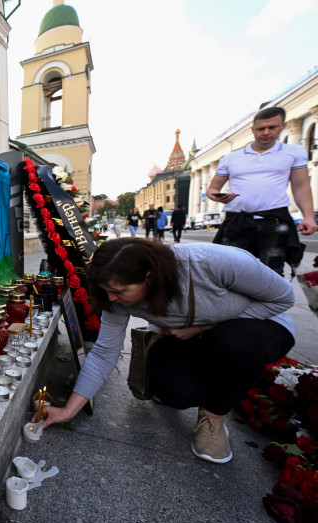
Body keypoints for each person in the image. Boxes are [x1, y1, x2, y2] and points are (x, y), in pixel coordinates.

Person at [38, 238, 296, 464]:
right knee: (175, 392)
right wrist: (68, 410)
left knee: (235, 344)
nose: (112, 299)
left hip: (256, 326)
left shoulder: (212, 262)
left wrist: (202, 327)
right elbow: (105, 352)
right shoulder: (113, 295)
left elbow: (283, 298)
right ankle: (215, 380)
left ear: (149, 276)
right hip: (186, 337)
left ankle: (214, 417)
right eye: (107, 292)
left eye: (119, 292)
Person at [207, 106, 317, 276]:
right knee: (226, 270)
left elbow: (301, 185)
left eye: (272, 127)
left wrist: (308, 217)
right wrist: (217, 197)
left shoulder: (293, 152)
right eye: (260, 128)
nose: (266, 132)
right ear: (253, 130)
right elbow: (213, 189)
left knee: (272, 273)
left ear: (283, 126)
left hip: (274, 221)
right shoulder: (231, 158)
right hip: (237, 221)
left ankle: (269, 302)